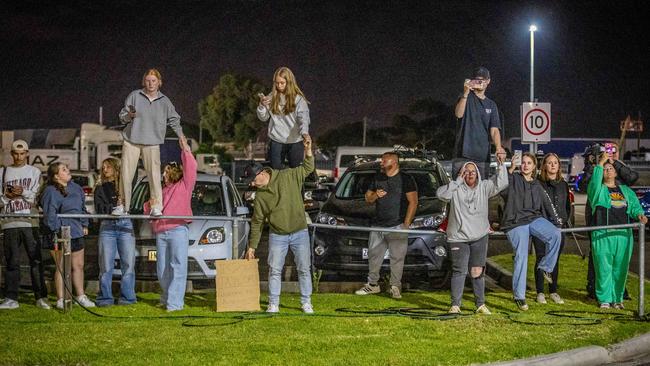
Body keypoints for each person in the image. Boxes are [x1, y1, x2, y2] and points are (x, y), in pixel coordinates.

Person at [243, 138, 315, 313]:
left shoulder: (288, 175)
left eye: (252, 181)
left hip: (300, 231)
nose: (252, 184)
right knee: (274, 270)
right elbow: (257, 222)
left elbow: (308, 168)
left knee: (304, 268)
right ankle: (273, 303)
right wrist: (252, 247)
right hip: (277, 235)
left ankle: (306, 302)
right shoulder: (260, 197)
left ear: (260, 174)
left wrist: (308, 150)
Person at [436, 160, 508, 314]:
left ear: (478, 174)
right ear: (461, 173)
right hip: (458, 237)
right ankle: (455, 305)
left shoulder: (484, 187)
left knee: (477, 271)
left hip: (479, 236)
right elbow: (441, 195)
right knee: (459, 270)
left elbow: (501, 183)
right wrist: (457, 182)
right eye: (466, 171)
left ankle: (480, 304)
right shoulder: (455, 188)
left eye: (472, 172)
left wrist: (502, 165)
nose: (469, 174)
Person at [112, 68, 185, 217]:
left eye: (154, 81)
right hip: (131, 140)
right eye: (148, 80)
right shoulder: (135, 95)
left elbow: (174, 120)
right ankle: (122, 205)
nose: (151, 83)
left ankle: (156, 206)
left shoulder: (165, 101)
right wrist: (129, 115)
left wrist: (181, 137)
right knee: (126, 174)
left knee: (154, 175)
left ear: (159, 83)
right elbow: (122, 116)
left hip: (152, 142)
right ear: (143, 82)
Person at [501, 152, 562, 311]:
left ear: (534, 166)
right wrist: (510, 169)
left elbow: (547, 205)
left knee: (556, 234)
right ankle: (519, 296)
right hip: (515, 221)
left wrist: (557, 222)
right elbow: (501, 187)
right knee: (522, 256)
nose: (525, 165)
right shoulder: (514, 178)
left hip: (533, 219)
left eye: (529, 162)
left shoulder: (537, 185)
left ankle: (545, 267)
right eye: (523, 162)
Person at [355, 152, 418, 299]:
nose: (381, 162)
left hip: (397, 225)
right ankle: (372, 285)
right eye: (381, 159)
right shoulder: (378, 178)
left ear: (394, 162)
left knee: (397, 258)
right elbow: (368, 198)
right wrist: (376, 195)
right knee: (374, 256)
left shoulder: (406, 179)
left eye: (384, 159)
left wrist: (406, 224)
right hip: (377, 225)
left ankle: (395, 286)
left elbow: (413, 202)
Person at [587, 154, 647, 309]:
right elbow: (594, 181)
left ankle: (617, 298)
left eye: (610, 168)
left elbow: (634, 206)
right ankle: (604, 299)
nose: (608, 170)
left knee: (620, 269)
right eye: (605, 169)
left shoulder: (626, 190)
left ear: (615, 172)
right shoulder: (597, 190)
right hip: (603, 235)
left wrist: (639, 214)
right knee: (603, 268)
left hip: (623, 235)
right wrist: (600, 163)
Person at [144, 136, 196, 312]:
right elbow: (148, 209)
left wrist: (185, 150)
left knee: (178, 266)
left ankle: (175, 304)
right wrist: (149, 205)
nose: (163, 174)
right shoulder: (160, 190)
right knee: (162, 268)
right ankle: (166, 298)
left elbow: (191, 167)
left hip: (178, 230)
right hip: (161, 232)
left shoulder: (184, 185)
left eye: (166, 171)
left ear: (173, 172)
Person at [0, 140, 49, 310]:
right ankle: (11, 298)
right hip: (9, 222)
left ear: (27, 153)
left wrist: (22, 192)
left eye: (22, 153)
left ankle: (41, 297)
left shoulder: (35, 172)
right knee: (11, 262)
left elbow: (37, 197)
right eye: (16, 153)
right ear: (11, 154)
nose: (19, 157)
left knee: (36, 260)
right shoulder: (2, 172)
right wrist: (7, 196)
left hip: (30, 222)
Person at [39, 162, 95, 309]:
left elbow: (82, 208)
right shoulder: (51, 191)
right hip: (59, 233)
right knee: (62, 266)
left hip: (76, 232)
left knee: (78, 265)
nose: (68, 170)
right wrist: (58, 230)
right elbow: (49, 215)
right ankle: (61, 299)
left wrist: (84, 224)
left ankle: (81, 296)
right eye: (64, 169)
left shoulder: (76, 188)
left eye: (67, 168)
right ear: (56, 176)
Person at [94, 157, 137, 307]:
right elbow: (99, 208)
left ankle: (128, 297)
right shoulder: (100, 188)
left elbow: (134, 171)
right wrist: (113, 207)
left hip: (125, 225)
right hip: (107, 226)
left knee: (128, 263)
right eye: (103, 167)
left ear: (117, 168)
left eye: (109, 167)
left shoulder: (125, 186)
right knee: (106, 264)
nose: (105, 170)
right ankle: (105, 298)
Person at [453, 66, 505, 177]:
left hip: (482, 157)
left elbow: (494, 130)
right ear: (472, 81)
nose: (480, 82)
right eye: (477, 79)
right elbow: (458, 114)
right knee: (459, 191)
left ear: (488, 81)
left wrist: (499, 147)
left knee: (481, 192)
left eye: (483, 80)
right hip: (462, 155)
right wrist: (465, 93)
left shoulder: (491, 105)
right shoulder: (464, 97)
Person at [533, 153, 571, 305]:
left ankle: (553, 291)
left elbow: (567, 206)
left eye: (555, 162)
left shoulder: (563, 184)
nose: (553, 165)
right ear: (544, 166)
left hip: (559, 228)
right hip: (542, 227)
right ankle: (540, 292)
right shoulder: (538, 184)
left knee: (555, 260)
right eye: (549, 163)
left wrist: (564, 219)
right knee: (542, 258)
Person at [257, 66, 311, 169]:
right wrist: (262, 106)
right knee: (275, 171)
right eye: (277, 83)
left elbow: (303, 119)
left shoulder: (299, 100)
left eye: (282, 83)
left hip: (295, 141)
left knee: (295, 172)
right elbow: (263, 118)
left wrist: (304, 133)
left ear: (289, 82)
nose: (279, 85)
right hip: (276, 140)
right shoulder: (271, 97)